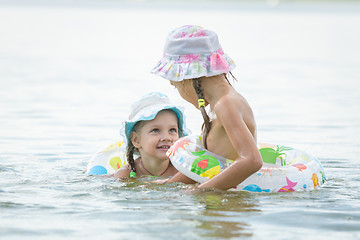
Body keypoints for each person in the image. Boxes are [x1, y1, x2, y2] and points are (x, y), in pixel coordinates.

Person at [151, 25, 263, 190]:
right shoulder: (222, 104)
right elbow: (212, 163)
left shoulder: (226, 104)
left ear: (187, 77)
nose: (179, 91)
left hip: (232, 210)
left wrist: (200, 191)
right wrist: (170, 183)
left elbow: (252, 160)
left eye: (175, 86)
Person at [113, 92, 190, 178]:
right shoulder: (125, 175)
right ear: (136, 140)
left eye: (172, 130)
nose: (166, 138)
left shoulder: (183, 172)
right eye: (155, 130)